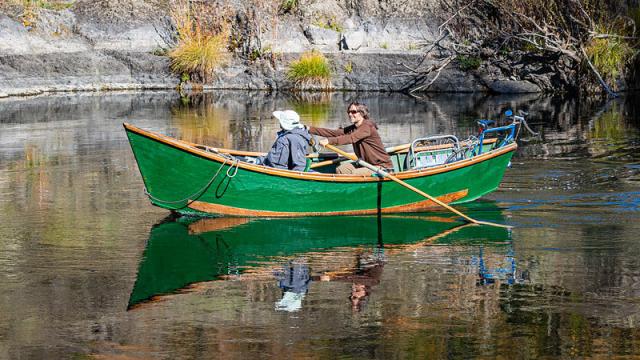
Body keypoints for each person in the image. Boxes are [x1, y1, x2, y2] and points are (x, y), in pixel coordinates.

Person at [308, 102, 393, 175]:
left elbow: (351, 138)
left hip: (381, 167)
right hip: (364, 164)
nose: (350, 114)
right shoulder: (353, 128)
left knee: (354, 174)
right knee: (340, 169)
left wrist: (329, 141)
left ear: (362, 113)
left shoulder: (367, 127)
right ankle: (344, 192)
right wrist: (309, 129)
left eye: (353, 112)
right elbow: (334, 133)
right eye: (349, 112)